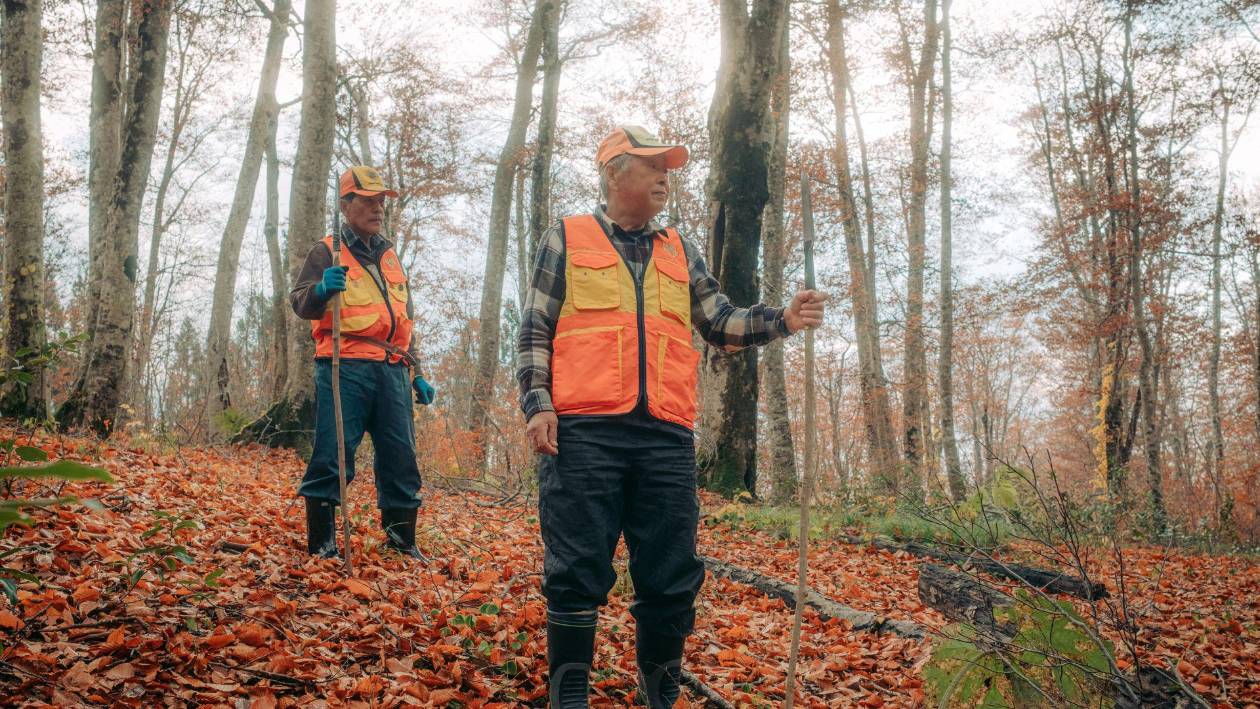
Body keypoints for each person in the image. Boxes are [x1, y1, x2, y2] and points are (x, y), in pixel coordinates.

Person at [517, 126, 827, 708]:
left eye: (669, 166)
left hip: (665, 435)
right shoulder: (567, 237)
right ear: (614, 173)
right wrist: (539, 406)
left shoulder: (679, 249)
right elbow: (535, 328)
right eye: (652, 165)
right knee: (576, 565)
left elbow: (720, 322)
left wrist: (782, 318)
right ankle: (570, 694)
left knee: (671, 570)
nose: (665, 176)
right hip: (583, 431)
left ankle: (659, 692)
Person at [290, 166, 436, 561]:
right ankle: (322, 545)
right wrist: (321, 289)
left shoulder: (390, 255)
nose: (377, 208)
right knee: (334, 453)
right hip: (344, 367)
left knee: (401, 456)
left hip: (392, 370)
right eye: (368, 200)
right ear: (346, 204)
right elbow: (300, 301)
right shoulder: (327, 250)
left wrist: (417, 371)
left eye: (381, 201)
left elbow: (404, 318)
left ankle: (402, 542)